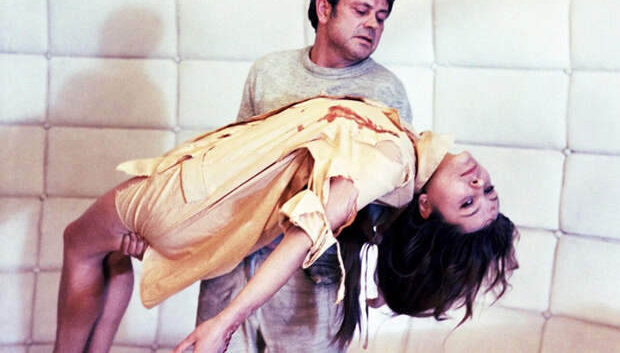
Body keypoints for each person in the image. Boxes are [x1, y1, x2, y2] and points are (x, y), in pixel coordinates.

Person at [53, 96, 518, 353]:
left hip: (191, 200)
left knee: (79, 244)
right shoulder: (405, 153)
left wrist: (224, 322)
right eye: (488, 192)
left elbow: (306, 234)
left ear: (427, 208)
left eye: (467, 203)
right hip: (200, 195)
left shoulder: (392, 161)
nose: (478, 184)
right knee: (108, 255)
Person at [197, 0, 412, 353]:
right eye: (362, 10)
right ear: (324, 9)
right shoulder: (269, 71)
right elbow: (231, 164)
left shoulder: (386, 91)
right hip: (235, 260)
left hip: (316, 275)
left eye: (381, 18)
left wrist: (387, 275)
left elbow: (396, 196)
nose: (373, 24)